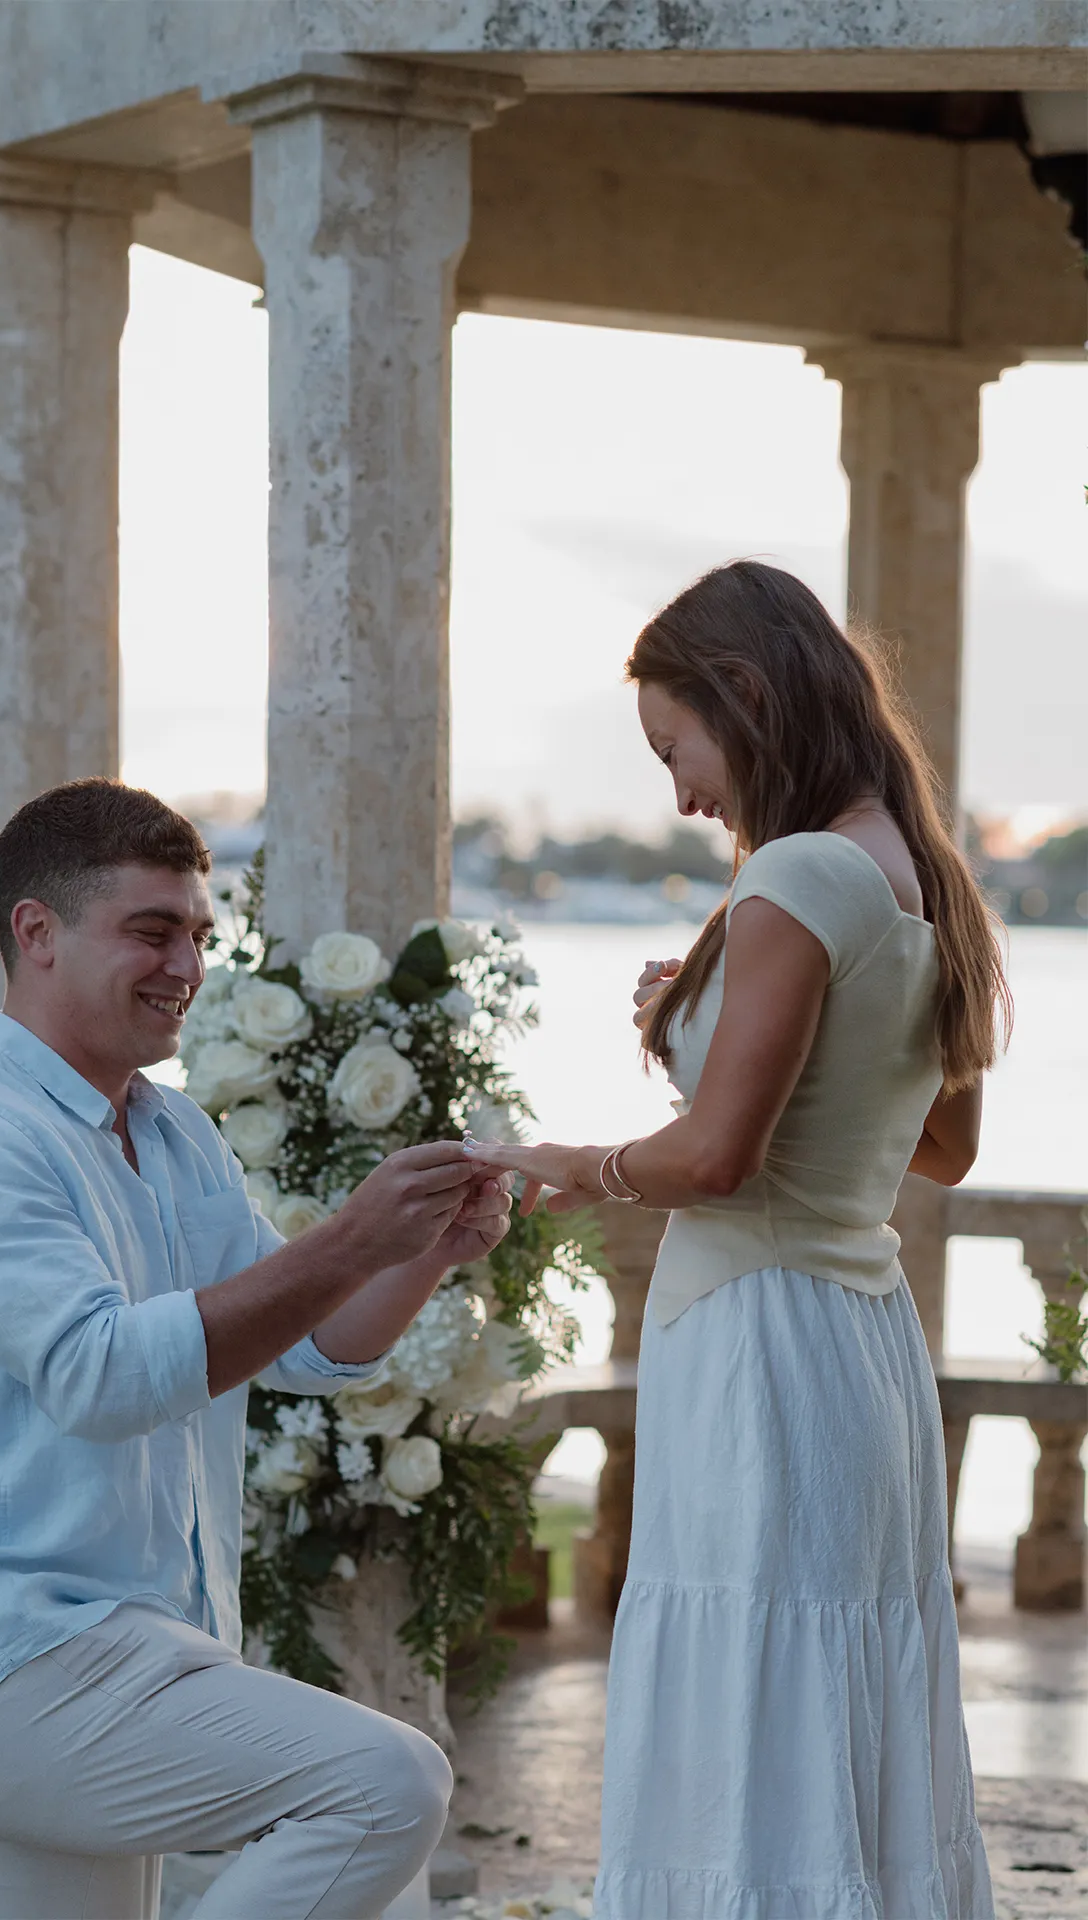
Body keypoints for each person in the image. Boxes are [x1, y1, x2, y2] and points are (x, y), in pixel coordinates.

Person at [0, 777, 513, 1920]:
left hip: (135, 1650)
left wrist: (417, 1253)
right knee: (383, 1785)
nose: (187, 966)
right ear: (36, 933)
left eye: (199, 935)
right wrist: (346, 1235)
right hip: (1, 1666)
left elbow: (311, 1346)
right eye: (152, 930)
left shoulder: (172, 1134)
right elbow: (103, 1373)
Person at [466, 561, 1006, 1920]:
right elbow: (940, 1148)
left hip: (760, 1338)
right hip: (860, 1342)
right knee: (828, 1693)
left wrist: (569, 1168)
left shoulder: (797, 874)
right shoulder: (920, 873)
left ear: (744, 696)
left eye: (676, 747)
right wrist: (717, 1018)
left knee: (749, 1692)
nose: (680, 792)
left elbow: (717, 1159)